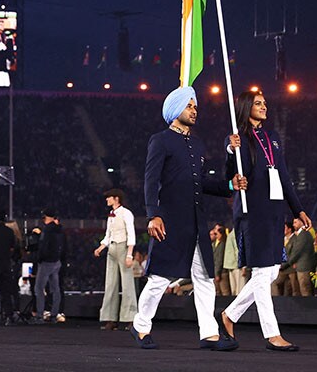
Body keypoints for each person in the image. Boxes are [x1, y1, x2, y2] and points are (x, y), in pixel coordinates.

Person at [131, 86, 244, 351]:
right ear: (175, 109)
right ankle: (141, 326)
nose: (195, 110)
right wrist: (153, 215)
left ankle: (209, 334)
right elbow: (151, 180)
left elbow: (202, 182)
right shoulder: (160, 140)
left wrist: (230, 186)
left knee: (204, 278)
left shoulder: (196, 143)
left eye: (195, 106)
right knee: (160, 278)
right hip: (169, 221)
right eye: (189, 106)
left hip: (196, 221)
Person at [221, 91, 311, 352]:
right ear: (247, 106)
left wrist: (298, 210)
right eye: (258, 103)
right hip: (252, 210)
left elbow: (283, 175)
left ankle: (230, 315)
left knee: (271, 271)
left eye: (264, 102)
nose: (264, 106)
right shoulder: (236, 139)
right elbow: (231, 175)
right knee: (262, 272)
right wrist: (230, 150)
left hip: (274, 210)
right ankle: (272, 333)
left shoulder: (272, 138)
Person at [94, 188, 137, 330]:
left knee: (127, 284)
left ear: (116, 198)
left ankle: (130, 319)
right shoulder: (111, 216)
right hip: (112, 249)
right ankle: (110, 318)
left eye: (109, 197)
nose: (107, 200)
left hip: (123, 247)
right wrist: (101, 247)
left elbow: (131, 234)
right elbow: (108, 235)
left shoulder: (126, 213)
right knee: (110, 284)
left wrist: (130, 254)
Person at [33, 208, 63, 324]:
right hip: (56, 262)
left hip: (46, 262)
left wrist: (39, 258)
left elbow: (44, 246)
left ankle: (39, 316)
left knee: (39, 288)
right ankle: (54, 315)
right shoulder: (59, 230)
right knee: (55, 289)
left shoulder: (48, 230)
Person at [289, 216, 316, 296]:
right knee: (303, 290)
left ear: (302, 222)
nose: (293, 225)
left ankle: (308, 308)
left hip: (304, 267)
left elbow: (297, 251)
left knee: (305, 290)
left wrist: (287, 264)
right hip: (302, 266)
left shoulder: (303, 235)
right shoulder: (302, 234)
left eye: (295, 222)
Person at [211, 224, 230, 296]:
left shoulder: (222, 244)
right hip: (215, 272)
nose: (215, 235)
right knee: (217, 292)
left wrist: (217, 274)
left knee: (225, 292)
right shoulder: (215, 244)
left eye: (216, 233)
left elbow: (219, 260)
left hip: (221, 273)